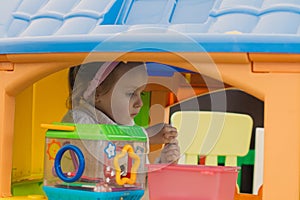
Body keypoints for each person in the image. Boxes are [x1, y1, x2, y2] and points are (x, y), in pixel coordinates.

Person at [62, 61, 180, 164]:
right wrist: (146, 137)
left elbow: (138, 176)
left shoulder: (127, 126)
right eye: (130, 93)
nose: (140, 103)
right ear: (97, 93)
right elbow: (98, 160)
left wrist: (164, 162)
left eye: (141, 93)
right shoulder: (78, 119)